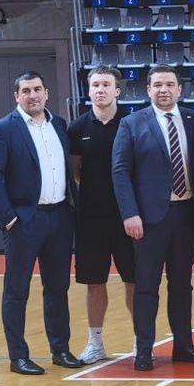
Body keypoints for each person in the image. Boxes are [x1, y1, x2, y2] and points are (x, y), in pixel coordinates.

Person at [0, 71, 84, 375]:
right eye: (25, 91)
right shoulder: (1, 129)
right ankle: (18, 356)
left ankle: (60, 349)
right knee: (16, 290)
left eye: (37, 89)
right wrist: (9, 218)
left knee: (58, 287)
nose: (32, 95)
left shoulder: (59, 124)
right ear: (17, 96)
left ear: (46, 93)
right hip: (24, 220)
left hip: (60, 218)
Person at [111, 64, 194, 371]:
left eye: (169, 84)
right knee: (146, 286)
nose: (163, 90)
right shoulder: (131, 123)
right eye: (157, 85)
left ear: (180, 89)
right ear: (148, 90)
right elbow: (120, 171)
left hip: (187, 214)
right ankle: (144, 350)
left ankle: (183, 345)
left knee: (182, 284)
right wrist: (130, 213)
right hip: (148, 219)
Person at [67, 65, 135, 364]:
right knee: (94, 282)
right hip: (91, 219)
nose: (100, 90)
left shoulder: (132, 123)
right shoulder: (77, 128)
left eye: (106, 85)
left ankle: (141, 341)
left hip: (128, 217)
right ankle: (95, 343)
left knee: (134, 281)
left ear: (117, 90)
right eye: (95, 85)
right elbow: (76, 171)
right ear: (89, 90)